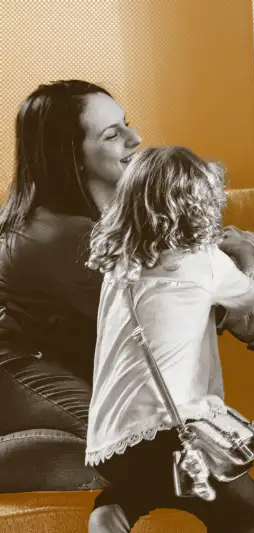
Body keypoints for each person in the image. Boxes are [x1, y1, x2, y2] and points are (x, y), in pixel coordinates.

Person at [83, 146, 254, 532]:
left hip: (109, 440)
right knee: (253, 517)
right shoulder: (205, 262)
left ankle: (111, 511)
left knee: (151, 486)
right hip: (168, 428)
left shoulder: (119, 263)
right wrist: (247, 254)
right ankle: (112, 510)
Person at [0, 81, 142, 494]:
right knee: (123, 460)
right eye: (112, 134)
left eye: (126, 124)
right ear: (70, 158)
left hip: (42, 365)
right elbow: (162, 306)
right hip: (12, 366)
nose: (136, 139)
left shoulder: (106, 219)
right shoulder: (61, 235)